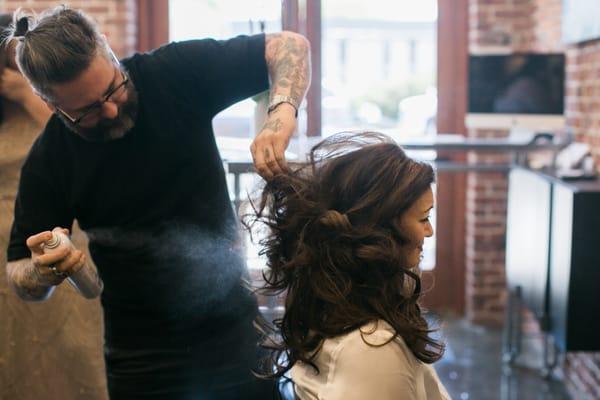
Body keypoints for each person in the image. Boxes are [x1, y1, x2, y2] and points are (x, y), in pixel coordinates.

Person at [5, 5, 310, 400]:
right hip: (141, 359)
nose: (111, 109)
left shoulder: (174, 72)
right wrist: (43, 273)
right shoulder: (51, 160)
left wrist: (281, 114)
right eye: (88, 111)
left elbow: (290, 46)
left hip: (234, 334)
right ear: (52, 105)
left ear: (109, 51)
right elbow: (19, 275)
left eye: (112, 89)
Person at [246, 132, 451, 399]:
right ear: (382, 226)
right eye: (423, 218)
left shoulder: (328, 308)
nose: (430, 230)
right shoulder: (373, 350)